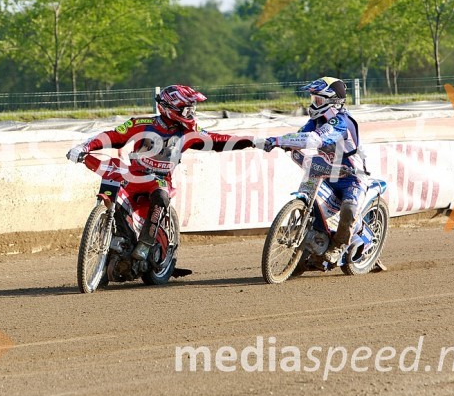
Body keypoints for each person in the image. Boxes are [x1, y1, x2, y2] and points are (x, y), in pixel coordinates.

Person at [67, 85, 257, 261]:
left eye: (192, 109)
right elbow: (112, 135)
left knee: (161, 195)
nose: (190, 113)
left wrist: (253, 141)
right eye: (186, 109)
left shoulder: (188, 132)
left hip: (160, 180)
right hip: (133, 176)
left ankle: (145, 244)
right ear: (170, 108)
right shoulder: (141, 123)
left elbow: (218, 140)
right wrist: (84, 147)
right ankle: (114, 240)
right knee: (113, 187)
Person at [260, 77, 367, 264]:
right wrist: (280, 141)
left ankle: (339, 246)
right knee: (311, 201)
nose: (313, 104)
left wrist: (279, 140)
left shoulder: (341, 121)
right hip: (325, 173)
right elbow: (301, 135)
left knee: (349, 208)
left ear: (333, 101)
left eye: (317, 100)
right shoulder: (317, 120)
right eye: (313, 99)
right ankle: (313, 241)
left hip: (351, 178)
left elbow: (314, 139)